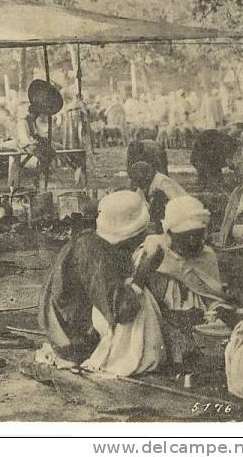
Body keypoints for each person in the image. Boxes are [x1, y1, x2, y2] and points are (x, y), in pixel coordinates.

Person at [37, 190, 166, 376]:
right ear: (130, 234)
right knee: (140, 300)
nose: (146, 234)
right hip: (72, 340)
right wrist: (143, 273)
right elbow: (123, 312)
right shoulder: (94, 252)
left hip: (71, 328)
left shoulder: (97, 241)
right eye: (142, 231)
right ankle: (121, 359)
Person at [128, 161, 186, 230]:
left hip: (183, 212)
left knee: (159, 196)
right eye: (134, 180)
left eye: (138, 180)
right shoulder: (142, 186)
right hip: (166, 217)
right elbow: (138, 204)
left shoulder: (161, 181)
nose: (136, 184)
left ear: (147, 176)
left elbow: (176, 200)